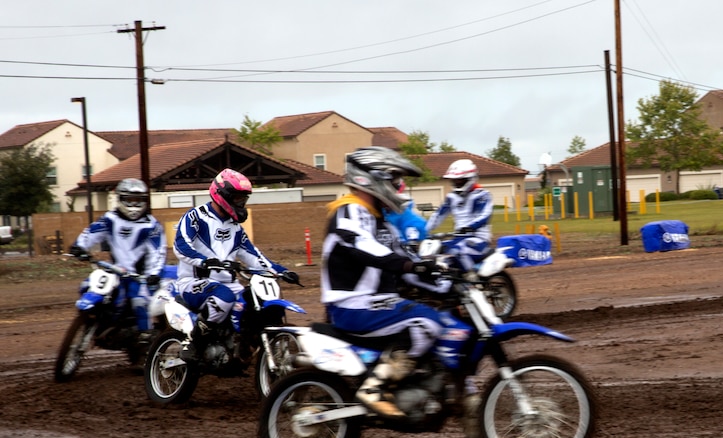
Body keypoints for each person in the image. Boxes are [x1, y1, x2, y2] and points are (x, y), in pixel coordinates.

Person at [322, 147, 445, 418]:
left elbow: (405, 259)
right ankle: (374, 388)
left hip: (377, 302)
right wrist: (409, 265)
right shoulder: (350, 211)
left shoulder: (381, 222)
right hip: (353, 305)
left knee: (444, 316)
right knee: (427, 322)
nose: (398, 187)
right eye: (393, 179)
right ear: (370, 177)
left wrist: (444, 276)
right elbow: (363, 246)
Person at [173, 169, 298, 356]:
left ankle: (245, 345)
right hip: (193, 283)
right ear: (223, 195)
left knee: (257, 300)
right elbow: (181, 245)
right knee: (224, 297)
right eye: (237, 198)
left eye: (243, 199)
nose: (241, 203)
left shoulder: (236, 228)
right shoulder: (195, 217)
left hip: (229, 284)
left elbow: (254, 256)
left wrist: (281, 271)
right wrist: (205, 262)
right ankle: (194, 344)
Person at [69, 178, 166, 340]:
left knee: (139, 301)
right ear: (120, 198)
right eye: (129, 199)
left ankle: (145, 342)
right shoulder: (110, 219)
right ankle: (98, 322)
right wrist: (79, 246)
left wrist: (153, 273)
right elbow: (91, 232)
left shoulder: (152, 226)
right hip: (115, 271)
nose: (134, 204)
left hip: (140, 277)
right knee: (87, 285)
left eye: (138, 200)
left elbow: (158, 252)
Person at [424, 159, 494, 271]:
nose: (457, 183)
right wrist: (424, 231)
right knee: (433, 251)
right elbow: (438, 215)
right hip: (458, 238)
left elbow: (485, 215)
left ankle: (472, 282)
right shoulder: (451, 197)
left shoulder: (482, 195)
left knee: (458, 251)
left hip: (478, 239)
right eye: (454, 180)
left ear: (470, 178)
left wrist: (470, 227)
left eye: (460, 180)